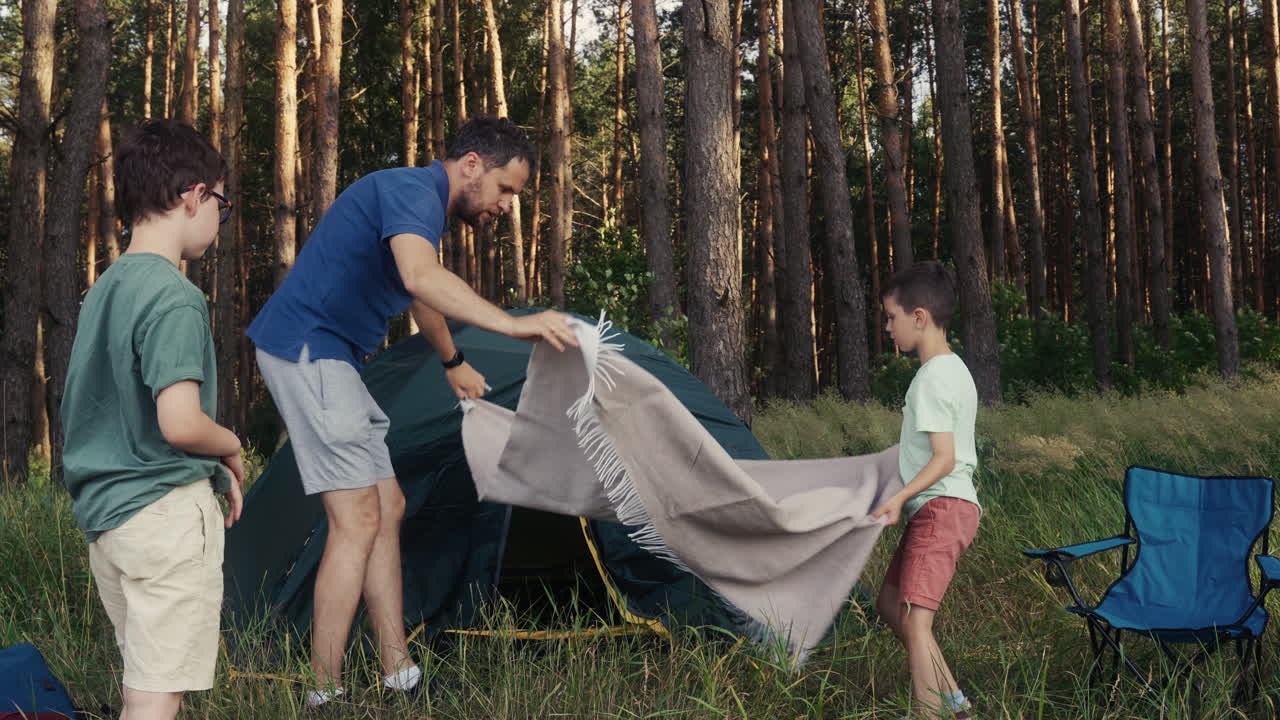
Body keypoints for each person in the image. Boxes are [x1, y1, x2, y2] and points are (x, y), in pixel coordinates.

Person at [247, 114, 578, 708]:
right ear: (471, 164)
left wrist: (452, 363)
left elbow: (420, 294)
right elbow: (419, 274)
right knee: (356, 519)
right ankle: (324, 692)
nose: (507, 206)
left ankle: (397, 671)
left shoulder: (420, 209)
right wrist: (514, 324)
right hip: (308, 350)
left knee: (388, 505)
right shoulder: (408, 190)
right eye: (506, 189)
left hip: (334, 358)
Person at [62, 119, 245, 720]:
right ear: (194, 195)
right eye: (221, 203)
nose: (220, 218)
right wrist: (231, 443)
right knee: (155, 695)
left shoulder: (106, 287)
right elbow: (181, 423)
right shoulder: (174, 296)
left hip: (109, 521)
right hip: (162, 511)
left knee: (142, 682)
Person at [870, 261, 981, 719]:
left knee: (916, 620)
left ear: (918, 317)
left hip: (940, 508)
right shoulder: (954, 369)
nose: (888, 327)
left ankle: (929, 714)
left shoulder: (932, 378)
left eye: (891, 317)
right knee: (890, 604)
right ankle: (955, 704)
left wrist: (898, 497)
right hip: (944, 505)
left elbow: (944, 458)